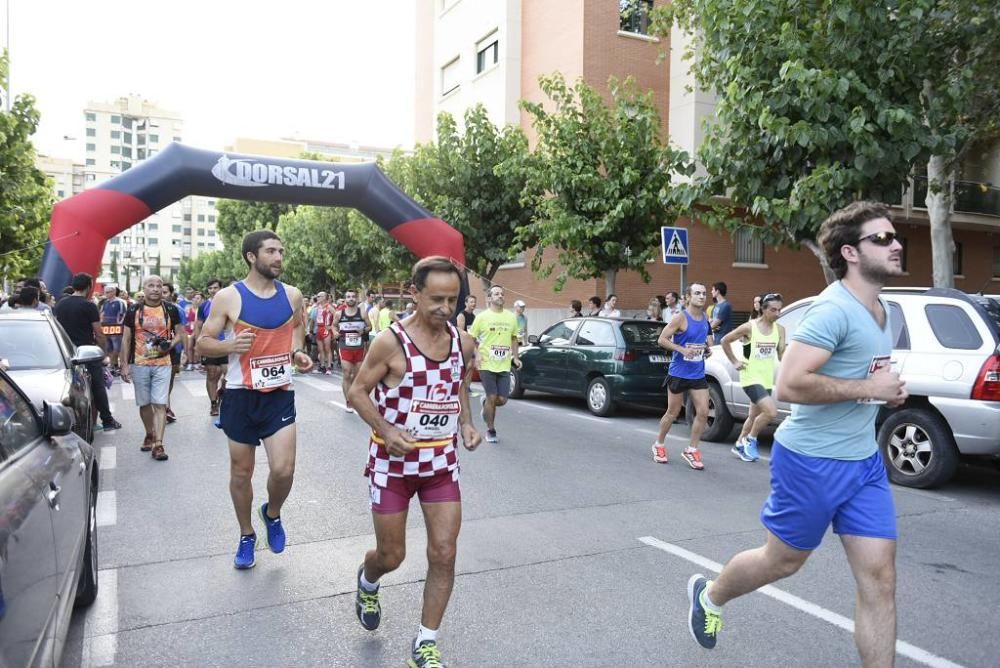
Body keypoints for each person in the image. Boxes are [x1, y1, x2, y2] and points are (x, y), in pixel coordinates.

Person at [686, 202, 906, 666]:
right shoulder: (832, 311)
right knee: (783, 561)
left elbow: (862, 380)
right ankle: (710, 596)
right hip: (811, 462)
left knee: (880, 580)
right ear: (850, 252)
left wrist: (881, 392)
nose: (896, 244)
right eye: (882, 239)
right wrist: (871, 387)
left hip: (863, 463)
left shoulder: (885, 311)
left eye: (895, 236)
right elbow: (790, 385)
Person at [347, 256, 480, 668]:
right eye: (436, 299)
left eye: (453, 300)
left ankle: (425, 642)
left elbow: (457, 385)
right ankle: (368, 581)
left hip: (440, 463)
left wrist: (467, 424)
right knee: (392, 556)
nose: (445, 308)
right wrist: (387, 430)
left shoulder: (463, 341)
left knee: (444, 552)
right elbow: (357, 392)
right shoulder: (390, 342)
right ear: (414, 293)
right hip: (392, 467)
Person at [197, 230, 313, 569]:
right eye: (271, 251)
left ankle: (272, 513)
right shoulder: (229, 298)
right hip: (240, 395)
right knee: (241, 473)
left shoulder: (292, 295)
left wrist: (298, 352)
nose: (278, 258)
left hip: (279, 394)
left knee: (283, 469)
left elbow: (296, 329)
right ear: (252, 256)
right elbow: (203, 342)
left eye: (281, 251)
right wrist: (227, 346)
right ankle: (247, 534)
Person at [120, 275, 183, 461]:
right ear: (144, 289)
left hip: (163, 364)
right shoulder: (133, 310)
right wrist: (124, 364)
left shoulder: (171, 309)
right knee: (144, 403)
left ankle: (158, 444)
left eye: (159, 286)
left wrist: (170, 345)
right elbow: (126, 338)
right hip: (139, 364)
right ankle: (149, 433)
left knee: (160, 403)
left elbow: (181, 334)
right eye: (151, 286)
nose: (155, 289)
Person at [651, 283, 713, 470]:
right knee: (672, 413)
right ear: (688, 297)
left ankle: (692, 449)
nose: (701, 296)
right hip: (678, 372)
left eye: (703, 293)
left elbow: (704, 341)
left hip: (697, 372)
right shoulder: (680, 317)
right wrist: (680, 349)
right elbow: (661, 339)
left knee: (703, 412)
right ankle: (659, 444)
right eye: (697, 293)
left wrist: (706, 350)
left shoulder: (704, 318)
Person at [721, 293, 786, 462]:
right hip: (750, 377)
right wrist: (735, 361)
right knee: (771, 412)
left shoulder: (780, 330)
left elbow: (781, 356)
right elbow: (725, 341)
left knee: (753, 416)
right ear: (763, 310)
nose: (777, 313)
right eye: (773, 310)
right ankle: (751, 440)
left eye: (779, 310)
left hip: (766, 378)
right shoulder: (749, 327)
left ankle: (739, 445)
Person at [53, 273, 122, 432]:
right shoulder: (89, 305)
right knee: (98, 385)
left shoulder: (61, 304)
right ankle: (107, 420)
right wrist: (103, 353)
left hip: (65, 352)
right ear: (89, 287)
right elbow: (98, 332)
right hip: (87, 352)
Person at [469, 285, 520, 444]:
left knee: (502, 400)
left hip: (504, 364)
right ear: (490, 298)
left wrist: (516, 357)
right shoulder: (482, 317)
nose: (500, 296)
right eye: (496, 294)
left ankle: (485, 403)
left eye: (502, 294)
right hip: (486, 364)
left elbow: (514, 338)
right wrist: (476, 355)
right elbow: (471, 339)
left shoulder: (511, 317)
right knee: (492, 396)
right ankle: (491, 430)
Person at [332, 289, 370, 414]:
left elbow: (369, 326)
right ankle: (349, 401)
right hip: (344, 346)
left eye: (353, 297)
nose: (351, 299)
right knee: (347, 373)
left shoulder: (362, 313)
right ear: (345, 299)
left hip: (359, 347)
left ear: (357, 299)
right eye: (348, 297)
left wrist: (364, 330)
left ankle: (354, 395)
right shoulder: (339, 314)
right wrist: (335, 332)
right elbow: (333, 326)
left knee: (357, 375)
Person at [194, 279, 228, 416]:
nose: (213, 290)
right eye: (210, 288)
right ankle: (213, 404)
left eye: (215, 287)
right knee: (212, 374)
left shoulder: (229, 303)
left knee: (229, 374)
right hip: (210, 344)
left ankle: (222, 390)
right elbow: (198, 325)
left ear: (221, 288)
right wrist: (199, 343)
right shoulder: (203, 307)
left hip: (227, 344)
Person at [162, 283, 187, 424]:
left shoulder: (177, 310)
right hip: (152, 352)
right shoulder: (148, 310)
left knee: (168, 381)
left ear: (171, 294)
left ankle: (166, 406)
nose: (162, 294)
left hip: (173, 350)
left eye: (165, 292)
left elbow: (182, 333)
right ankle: (164, 407)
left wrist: (185, 352)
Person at [99, 285, 127, 373]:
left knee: (117, 347)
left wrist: (120, 324)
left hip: (116, 328)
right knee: (109, 347)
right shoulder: (105, 303)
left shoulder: (120, 302)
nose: (106, 294)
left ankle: (116, 364)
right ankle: (113, 365)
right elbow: (102, 314)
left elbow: (124, 314)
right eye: (105, 292)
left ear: (114, 292)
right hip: (106, 328)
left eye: (108, 292)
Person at [314, 292, 335, 374]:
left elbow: (336, 315)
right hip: (319, 328)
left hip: (326, 329)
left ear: (324, 297)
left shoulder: (329, 306)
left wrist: (332, 326)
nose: (317, 297)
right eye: (317, 296)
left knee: (327, 349)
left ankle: (329, 367)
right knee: (320, 349)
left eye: (319, 296)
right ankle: (322, 366)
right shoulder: (318, 306)